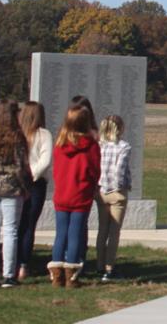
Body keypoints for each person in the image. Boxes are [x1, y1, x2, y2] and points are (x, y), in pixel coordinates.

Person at [0, 99, 32, 288]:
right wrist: (25, 187)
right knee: (10, 230)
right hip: (11, 187)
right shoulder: (16, 136)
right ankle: (9, 274)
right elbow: (20, 166)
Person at [49, 104, 100, 288]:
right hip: (80, 194)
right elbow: (94, 170)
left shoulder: (60, 144)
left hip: (62, 193)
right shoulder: (91, 146)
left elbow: (57, 170)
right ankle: (71, 275)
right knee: (75, 234)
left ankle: (56, 275)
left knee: (60, 233)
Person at [15, 101, 52, 281]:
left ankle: (17, 264)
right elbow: (45, 160)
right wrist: (34, 172)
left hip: (24, 178)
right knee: (26, 225)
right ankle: (21, 264)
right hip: (33, 181)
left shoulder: (22, 133)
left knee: (23, 224)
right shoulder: (44, 135)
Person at [95, 114, 131, 282]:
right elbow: (120, 171)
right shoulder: (123, 147)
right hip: (117, 192)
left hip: (101, 191)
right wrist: (118, 187)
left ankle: (99, 265)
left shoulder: (99, 146)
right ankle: (109, 268)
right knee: (114, 232)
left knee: (102, 229)